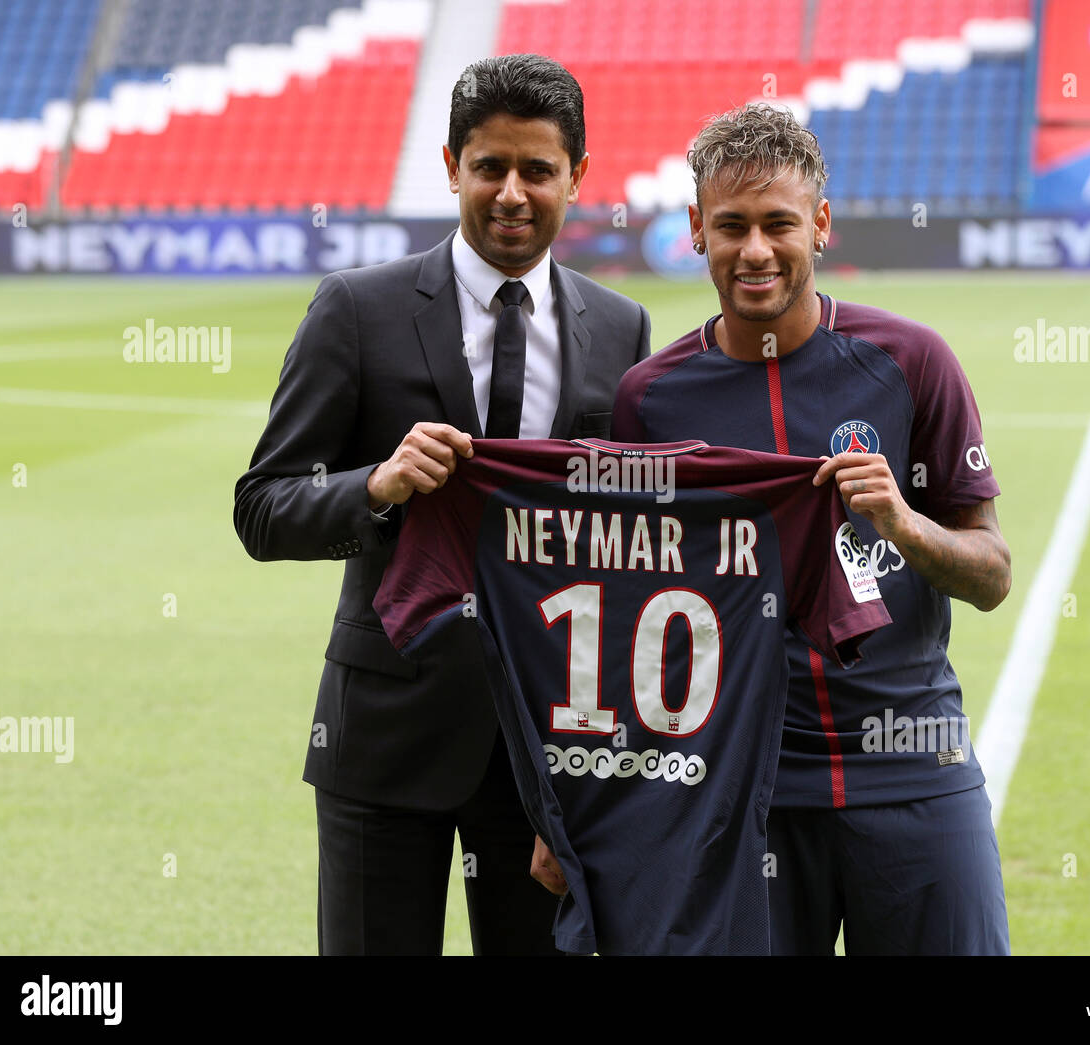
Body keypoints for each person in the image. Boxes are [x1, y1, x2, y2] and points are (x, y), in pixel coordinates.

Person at [234, 53, 650, 955]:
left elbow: (624, 548)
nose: (510, 192)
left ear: (578, 176)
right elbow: (262, 508)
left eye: (537, 170)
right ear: (451, 165)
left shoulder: (620, 330)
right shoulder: (356, 309)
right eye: (488, 166)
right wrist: (375, 485)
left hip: (549, 754)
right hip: (384, 745)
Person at [602, 103, 1012, 954]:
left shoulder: (911, 362)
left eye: (778, 223)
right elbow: (625, 617)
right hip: (743, 790)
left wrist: (903, 522)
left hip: (913, 764)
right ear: (695, 231)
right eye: (732, 226)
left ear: (819, 224)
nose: (755, 250)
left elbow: (991, 574)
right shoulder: (649, 399)